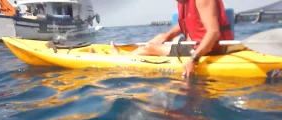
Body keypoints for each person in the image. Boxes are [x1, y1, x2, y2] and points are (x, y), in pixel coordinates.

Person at [98, 0, 234, 78]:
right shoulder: (184, 2)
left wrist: (193, 59)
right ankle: (132, 54)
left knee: (149, 48)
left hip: (208, 47)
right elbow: (187, 22)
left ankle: (120, 59)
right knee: (157, 40)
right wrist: (167, 36)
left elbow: (214, 32)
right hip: (193, 43)